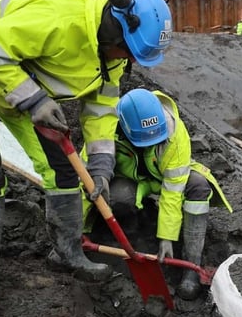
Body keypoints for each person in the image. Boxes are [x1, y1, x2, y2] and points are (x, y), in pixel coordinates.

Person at [0, 0, 173, 315]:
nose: (128, 60)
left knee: (63, 173)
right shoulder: (60, 20)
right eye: (128, 51)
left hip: (21, 86)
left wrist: (102, 167)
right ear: (115, 26)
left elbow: (102, 109)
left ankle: (68, 254)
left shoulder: (114, 56)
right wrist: (34, 101)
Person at [83, 88, 232, 300]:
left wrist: (167, 238)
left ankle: (191, 267)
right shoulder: (105, 130)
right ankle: (133, 237)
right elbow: (83, 182)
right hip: (131, 181)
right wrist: (74, 230)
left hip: (164, 179)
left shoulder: (174, 132)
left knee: (198, 185)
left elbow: (172, 191)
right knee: (118, 197)